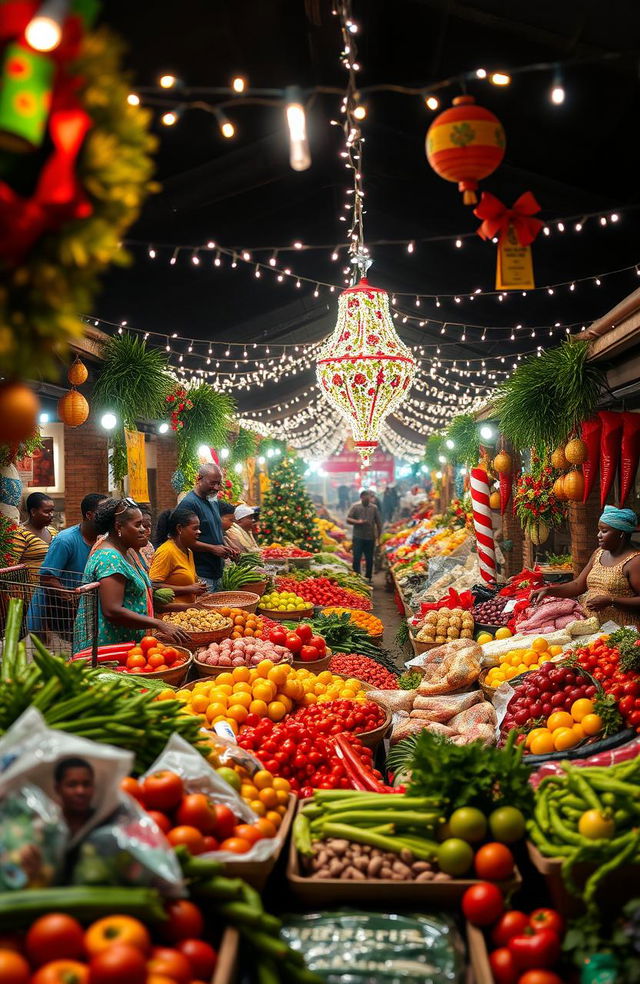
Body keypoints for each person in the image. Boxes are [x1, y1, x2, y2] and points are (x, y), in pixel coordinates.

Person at [76, 498, 191, 647]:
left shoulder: (128, 551)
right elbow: (112, 610)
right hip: (110, 646)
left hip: (129, 642)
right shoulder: (109, 559)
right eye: (137, 525)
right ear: (118, 527)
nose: (143, 529)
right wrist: (158, 624)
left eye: (143, 524)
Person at [531, 506, 640, 628]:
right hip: (592, 626)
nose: (598, 535)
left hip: (622, 629)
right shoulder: (599, 553)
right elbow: (577, 585)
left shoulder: (635, 561)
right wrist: (549, 590)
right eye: (599, 530)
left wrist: (611, 601)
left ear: (621, 534)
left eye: (604, 531)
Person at [180, 464, 235, 591]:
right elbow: (183, 539)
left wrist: (227, 548)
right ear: (199, 479)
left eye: (219, 483)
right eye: (212, 483)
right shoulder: (189, 503)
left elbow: (213, 533)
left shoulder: (212, 501)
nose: (216, 488)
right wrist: (212, 549)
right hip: (201, 572)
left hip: (216, 570)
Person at [40, 493, 107, 590]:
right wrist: (68, 596)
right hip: (58, 604)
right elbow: (47, 578)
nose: (108, 517)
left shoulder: (105, 541)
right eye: (104, 513)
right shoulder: (64, 540)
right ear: (89, 515)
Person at [148, 506, 207, 605]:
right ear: (179, 528)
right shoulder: (166, 551)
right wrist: (188, 589)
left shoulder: (188, 551)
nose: (199, 532)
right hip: (170, 615)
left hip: (188, 613)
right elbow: (153, 585)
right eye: (195, 528)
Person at [10, 492, 58, 582]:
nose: (51, 515)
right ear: (33, 512)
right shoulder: (20, 534)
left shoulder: (53, 532)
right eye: (47, 511)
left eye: (52, 511)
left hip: (53, 590)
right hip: (30, 590)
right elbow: (11, 567)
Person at [346, 490, 382, 583]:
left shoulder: (374, 508)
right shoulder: (355, 506)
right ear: (361, 497)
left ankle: (368, 577)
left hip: (370, 537)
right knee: (357, 557)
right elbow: (348, 519)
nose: (368, 499)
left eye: (369, 498)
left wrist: (379, 536)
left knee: (369, 558)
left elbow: (378, 522)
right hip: (358, 536)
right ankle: (356, 576)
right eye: (366, 498)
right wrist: (357, 522)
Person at [54, 757, 95, 836]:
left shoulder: (105, 822)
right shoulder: (48, 826)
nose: (80, 791)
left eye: (86, 784)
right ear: (58, 788)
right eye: (72, 785)